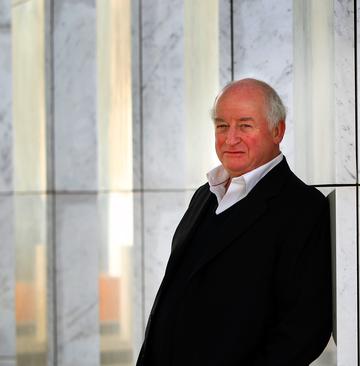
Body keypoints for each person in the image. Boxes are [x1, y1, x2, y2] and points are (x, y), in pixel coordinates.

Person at [136, 78, 333, 366]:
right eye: (222, 126)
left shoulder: (303, 208)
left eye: (245, 125)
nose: (230, 138)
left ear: (277, 131)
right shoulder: (205, 195)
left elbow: (304, 330)